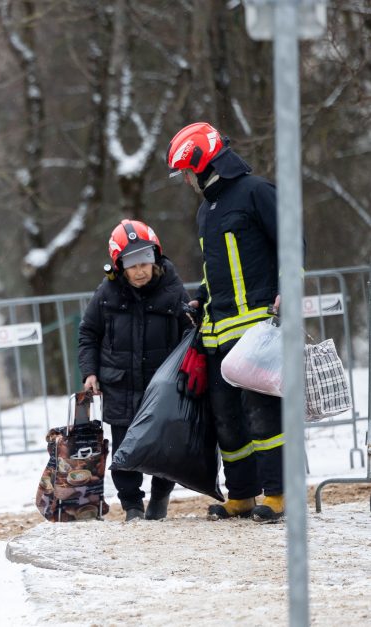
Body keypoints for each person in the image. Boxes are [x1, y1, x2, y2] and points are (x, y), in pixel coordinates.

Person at [166, 122, 286, 522]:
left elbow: (292, 240)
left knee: (262, 414)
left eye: (185, 171)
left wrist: (290, 287)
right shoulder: (207, 210)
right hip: (218, 332)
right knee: (227, 420)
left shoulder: (256, 192)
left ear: (201, 162)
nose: (185, 180)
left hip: (255, 329)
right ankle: (241, 495)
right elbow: (215, 268)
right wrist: (200, 297)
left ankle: (279, 494)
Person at [78, 219, 192, 521]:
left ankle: (160, 496)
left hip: (163, 386)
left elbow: (189, 333)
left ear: (156, 257)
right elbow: (88, 333)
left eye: (145, 260)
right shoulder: (106, 294)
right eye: (131, 263)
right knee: (124, 449)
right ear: (118, 265)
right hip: (120, 385)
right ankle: (131, 506)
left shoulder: (173, 290)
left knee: (165, 446)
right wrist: (90, 372)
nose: (140, 270)